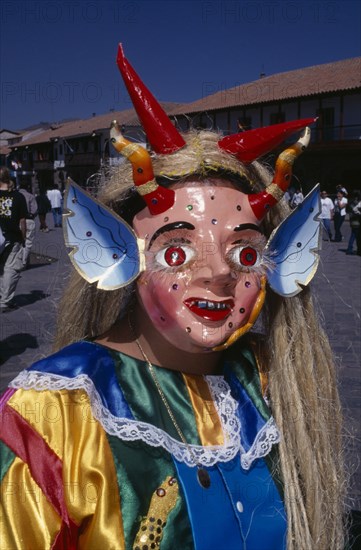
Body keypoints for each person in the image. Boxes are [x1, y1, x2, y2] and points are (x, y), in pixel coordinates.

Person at [0, 46, 348, 549]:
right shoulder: (52, 417)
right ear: (115, 250)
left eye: (246, 254)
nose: (219, 273)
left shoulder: (277, 379)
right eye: (179, 252)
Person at [0, 167, 27, 311]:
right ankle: (5, 302)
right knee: (11, 269)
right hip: (12, 237)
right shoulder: (17, 196)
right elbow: (22, 220)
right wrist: (23, 238)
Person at [18, 182, 38, 268]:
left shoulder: (16, 195)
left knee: (18, 242)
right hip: (29, 220)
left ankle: (18, 260)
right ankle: (24, 262)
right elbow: (34, 209)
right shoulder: (30, 196)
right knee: (28, 242)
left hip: (18, 221)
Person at [346, 190, 361, 255]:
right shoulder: (357, 203)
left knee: (353, 235)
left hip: (352, 220)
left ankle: (350, 249)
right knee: (356, 236)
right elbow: (355, 211)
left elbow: (348, 211)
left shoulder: (350, 202)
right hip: (357, 221)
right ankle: (353, 249)